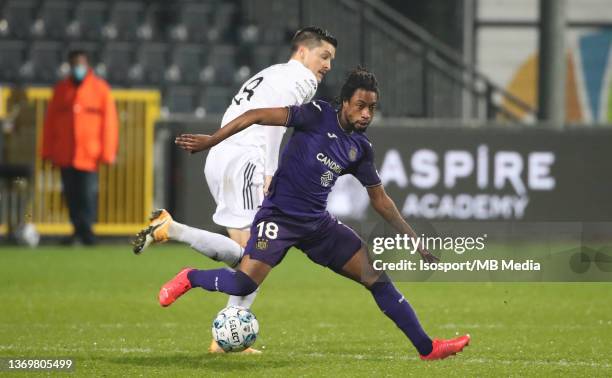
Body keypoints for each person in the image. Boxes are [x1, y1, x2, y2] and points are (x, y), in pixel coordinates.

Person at [168, 68, 470, 360]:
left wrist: (414, 240)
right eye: (361, 106)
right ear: (345, 103)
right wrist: (211, 141)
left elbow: (381, 201)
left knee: (376, 278)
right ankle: (191, 277)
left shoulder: (360, 148)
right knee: (244, 285)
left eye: (372, 108)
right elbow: (255, 115)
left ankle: (428, 349)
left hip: (317, 225)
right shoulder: (315, 114)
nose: (366, 113)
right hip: (278, 218)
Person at [132, 27, 337, 353]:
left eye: (331, 60)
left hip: (224, 156)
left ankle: (223, 330)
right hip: (246, 158)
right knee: (258, 257)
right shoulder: (303, 79)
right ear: (301, 51)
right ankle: (186, 253)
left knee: (246, 257)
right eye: (323, 56)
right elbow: (273, 125)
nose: (326, 65)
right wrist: (270, 172)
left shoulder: (271, 74)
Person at [42, 50, 118, 246]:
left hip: (89, 153)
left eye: (81, 64)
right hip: (65, 153)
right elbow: (50, 123)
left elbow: (109, 124)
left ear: (88, 65)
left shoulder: (100, 89)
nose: (78, 68)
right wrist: (47, 151)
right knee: (70, 194)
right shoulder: (61, 90)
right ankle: (78, 230)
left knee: (87, 194)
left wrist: (108, 152)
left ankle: (86, 232)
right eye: (75, 64)